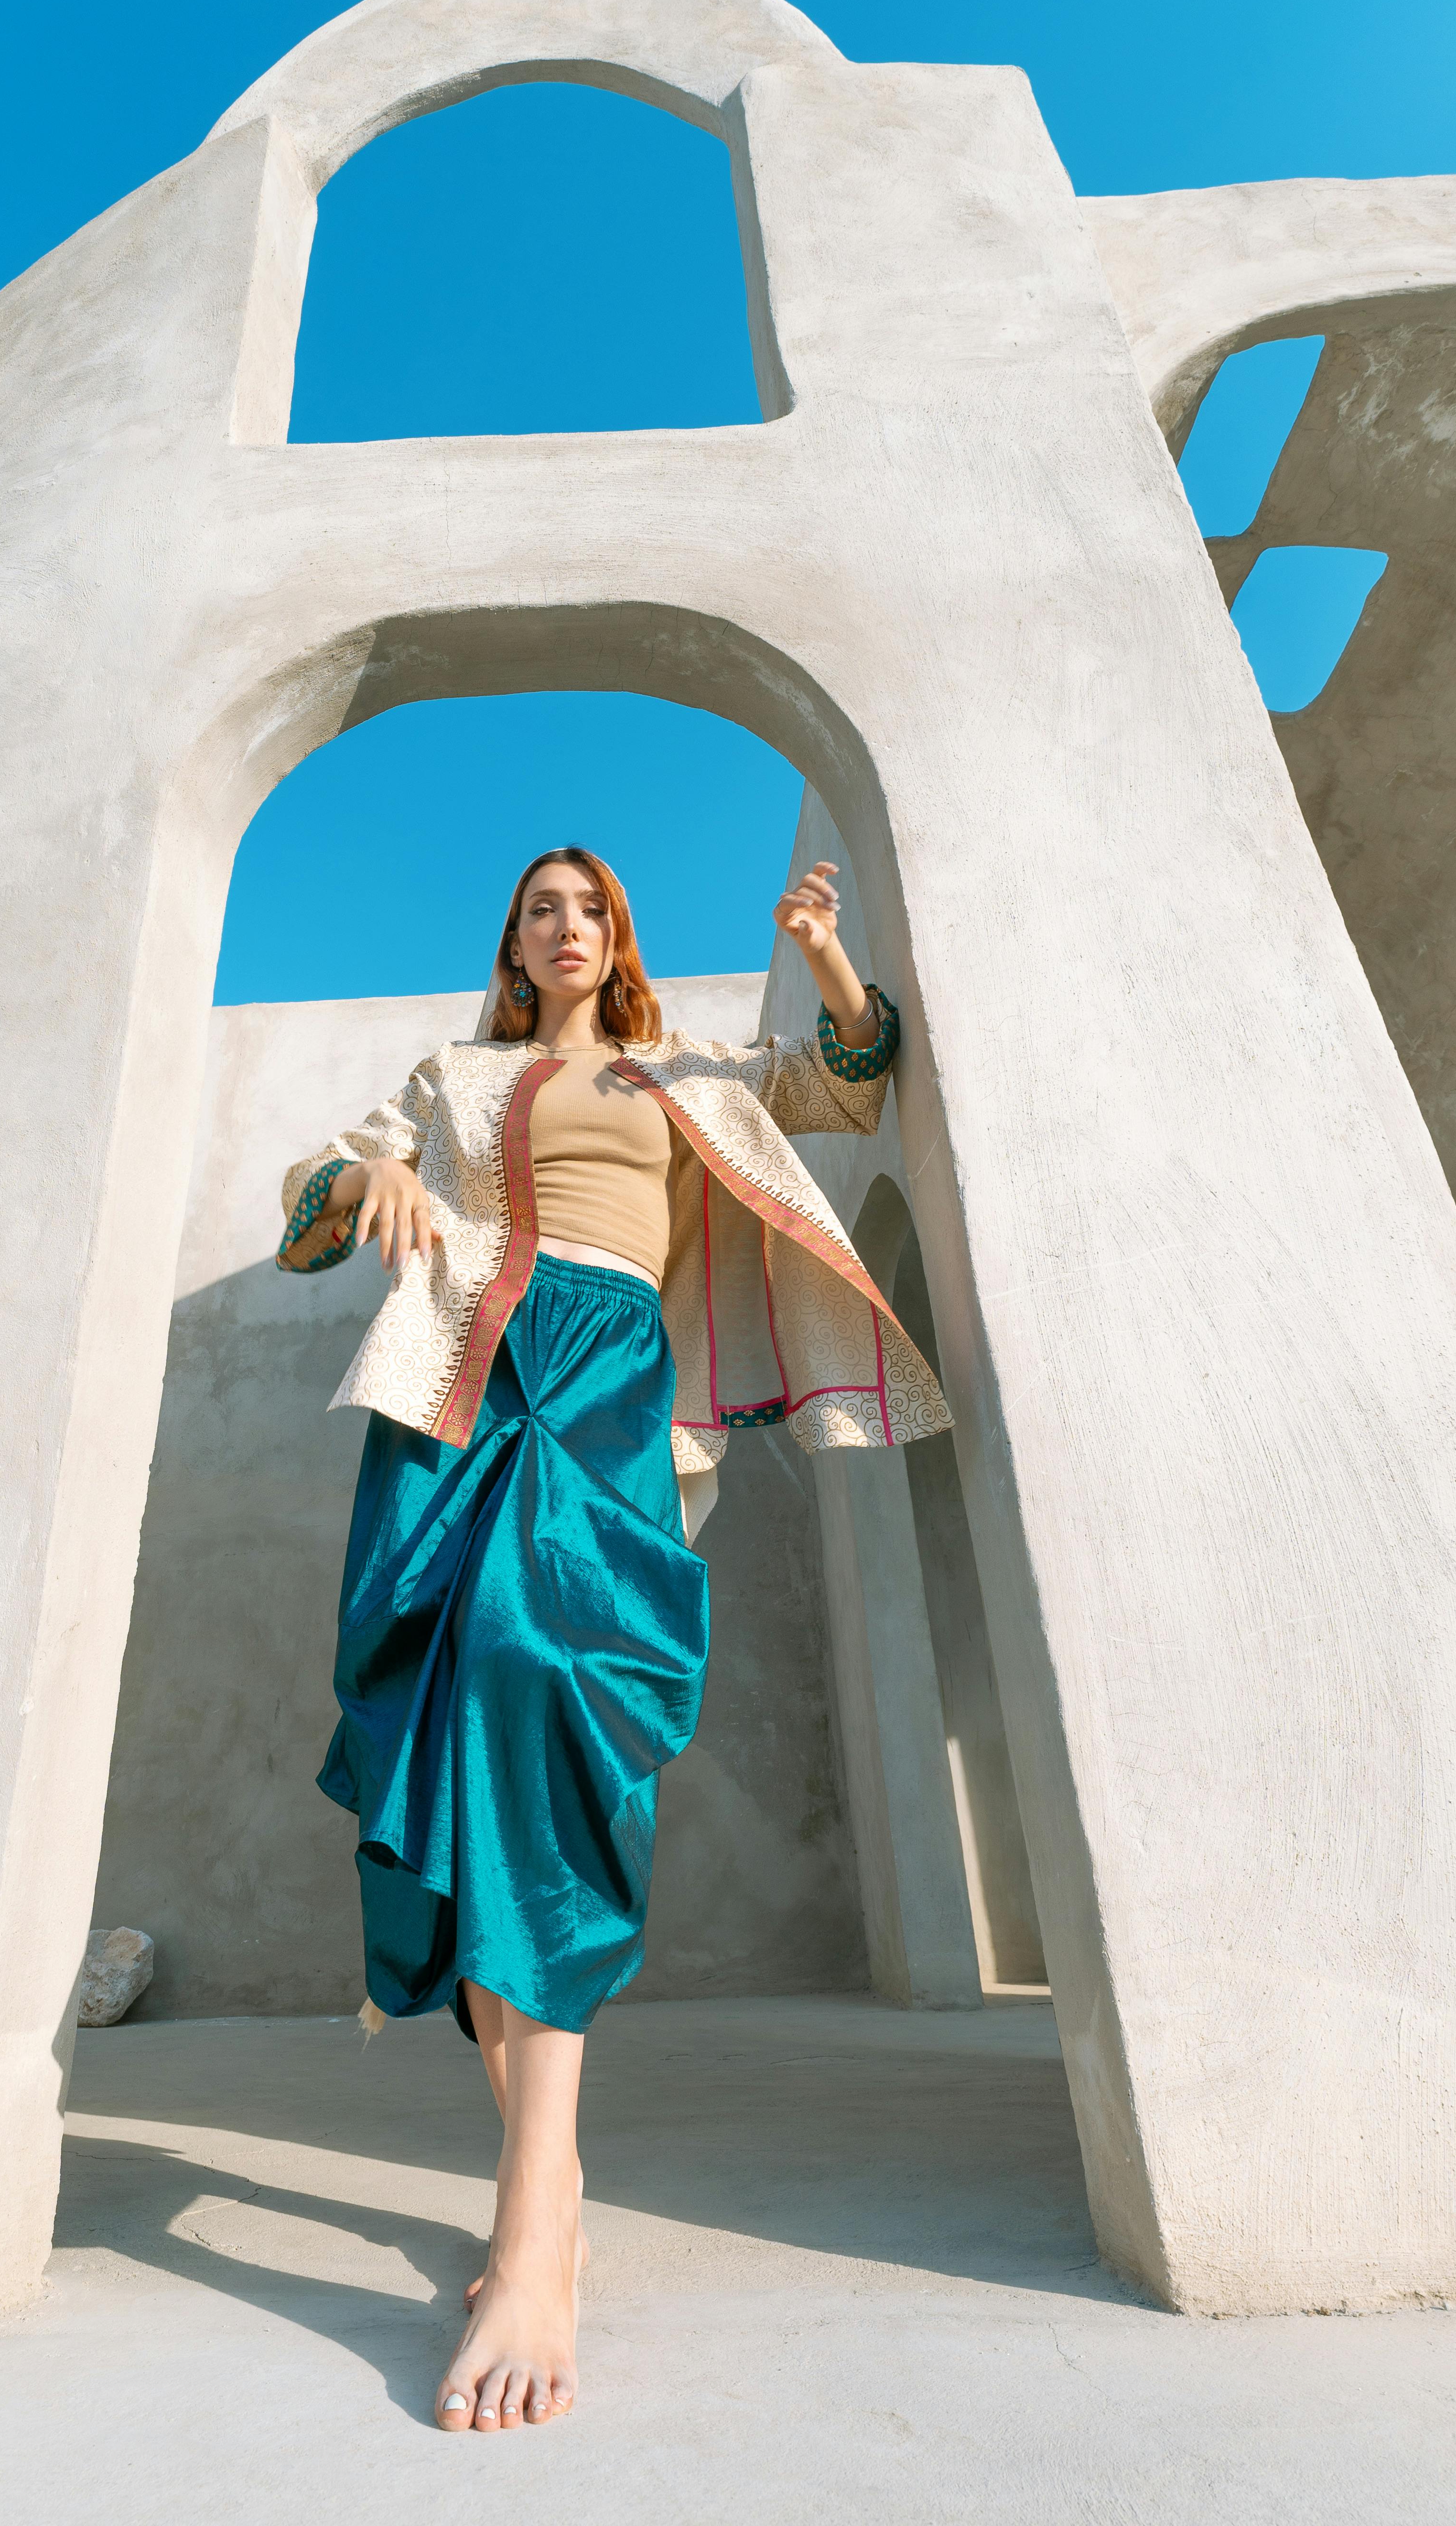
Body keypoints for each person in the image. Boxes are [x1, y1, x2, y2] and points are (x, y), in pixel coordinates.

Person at [275, 845, 949, 2432]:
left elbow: (853, 1078)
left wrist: (827, 954)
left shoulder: (690, 1068)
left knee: (541, 1680)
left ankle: (529, 2236)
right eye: (539, 910)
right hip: (456, 1371)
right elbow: (316, 1209)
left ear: (619, 940)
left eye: (592, 910)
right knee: (453, 1749)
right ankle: (548, 2199)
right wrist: (359, 1184)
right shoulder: (455, 1074)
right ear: (511, 943)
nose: (566, 929)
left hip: (603, 1376)